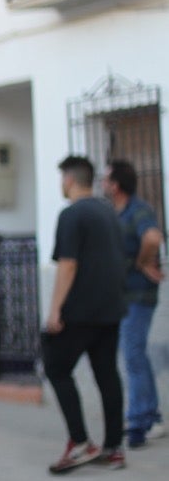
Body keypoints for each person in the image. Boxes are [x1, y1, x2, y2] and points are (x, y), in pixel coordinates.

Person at [42, 155, 127, 473]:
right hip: (110, 309)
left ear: (68, 180)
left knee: (56, 367)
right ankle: (114, 448)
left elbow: (68, 264)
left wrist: (55, 310)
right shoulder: (109, 212)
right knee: (107, 374)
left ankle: (80, 442)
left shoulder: (71, 214)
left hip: (79, 312)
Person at [103, 159, 164, 448]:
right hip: (122, 295)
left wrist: (141, 263)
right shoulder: (115, 212)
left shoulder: (137, 209)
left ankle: (138, 422)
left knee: (132, 355)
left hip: (138, 296)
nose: (102, 184)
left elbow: (153, 237)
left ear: (116, 185)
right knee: (136, 355)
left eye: (106, 179)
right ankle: (151, 416)